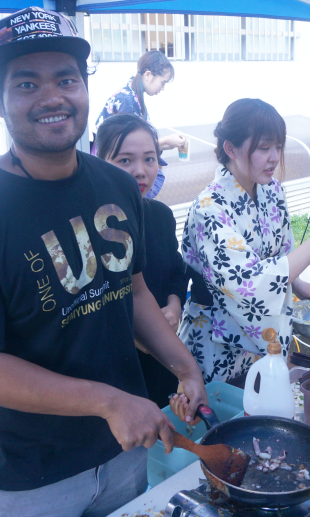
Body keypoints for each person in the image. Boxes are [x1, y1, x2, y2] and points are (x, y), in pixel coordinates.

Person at [0, 9, 207, 517]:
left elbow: (134, 291)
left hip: (122, 451)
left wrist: (185, 367)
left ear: (85, 88)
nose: (52, 96)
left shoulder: (117, 185)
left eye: (66, 79)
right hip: (27, 478)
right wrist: (108, 401)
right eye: (27, 83)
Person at [178, 98, 310, 383]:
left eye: (279, 147)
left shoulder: (272, 190)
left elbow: (281, 254)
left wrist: (298, 284)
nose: (274, 157)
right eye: (263, 147)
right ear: (230, 148)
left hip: (265, 335)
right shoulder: (209, 207)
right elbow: (248, 283)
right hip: (216, 344)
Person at [95, 113, 188, 408]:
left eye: (150, 159)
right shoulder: (89, 228)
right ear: (99, 162)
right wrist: (139, 333)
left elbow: (176, 269)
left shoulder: (160, 216)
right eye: (125, 160)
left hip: (162, 358)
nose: (141, 171)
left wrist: (174, 306)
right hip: (114, 369)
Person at [94, 50, 185, 199]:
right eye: (163, 82)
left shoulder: (131, 95)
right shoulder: (127, 101)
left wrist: (163, 145)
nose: (162, 88)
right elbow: (130, 147)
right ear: (148, 75)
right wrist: (165, 142)